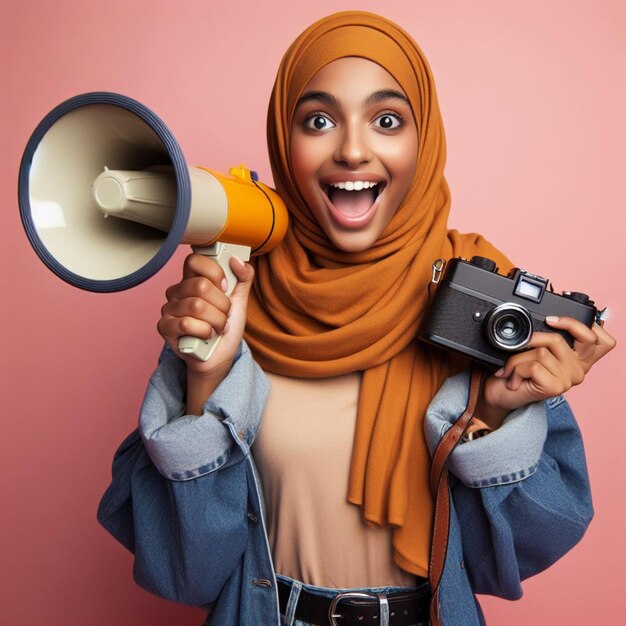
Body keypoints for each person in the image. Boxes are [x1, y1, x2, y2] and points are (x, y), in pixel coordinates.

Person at [98, 11, 616, 626]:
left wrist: (501, 412)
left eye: (387, 120)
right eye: (317, 120)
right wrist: (205, 379)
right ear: (283, 142)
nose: (350, 149)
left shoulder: (475, 301)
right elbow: (184, 573)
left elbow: (507, 563)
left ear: (424, 141)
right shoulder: (230, 303)